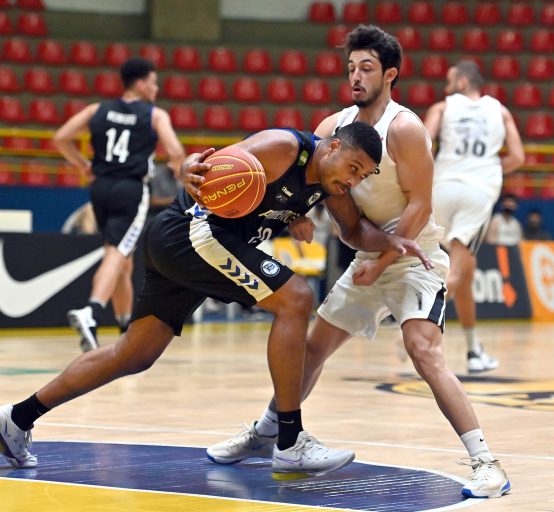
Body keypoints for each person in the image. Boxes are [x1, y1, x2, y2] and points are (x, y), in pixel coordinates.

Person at [0, 121, 433, 480]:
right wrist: (188, 168)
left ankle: (17, 417)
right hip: (193, 233)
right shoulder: (283, 147)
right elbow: (211, 167)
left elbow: (353, 230)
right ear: (332, 147)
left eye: (362, 176)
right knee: (296, 298)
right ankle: (289, 441)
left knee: (134, 353)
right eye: (352, 168)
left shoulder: (327, 185)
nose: (352, 180)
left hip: (184, 245)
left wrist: (393, 242)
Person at [207, 26, 510, 499]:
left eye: (366, 68)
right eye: (351, 68)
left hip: (415, 259)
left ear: (390, 75)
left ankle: (487, 463)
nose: (355, 76)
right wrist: (298, 215)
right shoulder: (334, 127)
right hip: (369, 255)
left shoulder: (405, 128)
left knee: (423, 351)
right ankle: (270, 429)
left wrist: (385, 259)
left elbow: (421, 206)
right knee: (311, 349)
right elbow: (313, 180)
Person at [54, 57, 185, 352]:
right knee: (117, 252)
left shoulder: (96, 110)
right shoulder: (155, 115)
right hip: (130, 189)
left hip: (100, 188)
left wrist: (83, 165)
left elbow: (61, 138)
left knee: (123, 260)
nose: (156, 88)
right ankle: (91, 311)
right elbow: (175, 151)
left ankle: (125, 327)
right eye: (153, 82)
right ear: (141, 84)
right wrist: (179, 171)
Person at [424, 61, 525, 373]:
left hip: (441, 188)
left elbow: (423, 145)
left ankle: (473, 350)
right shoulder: (501, 111)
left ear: (463, 82)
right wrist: (489, 169)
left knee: (465, 268)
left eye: (450, 80)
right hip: (478, 191)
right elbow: (518, 157)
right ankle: (423, 322)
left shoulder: (442, 107)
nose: (446, 87)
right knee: (459, 266)